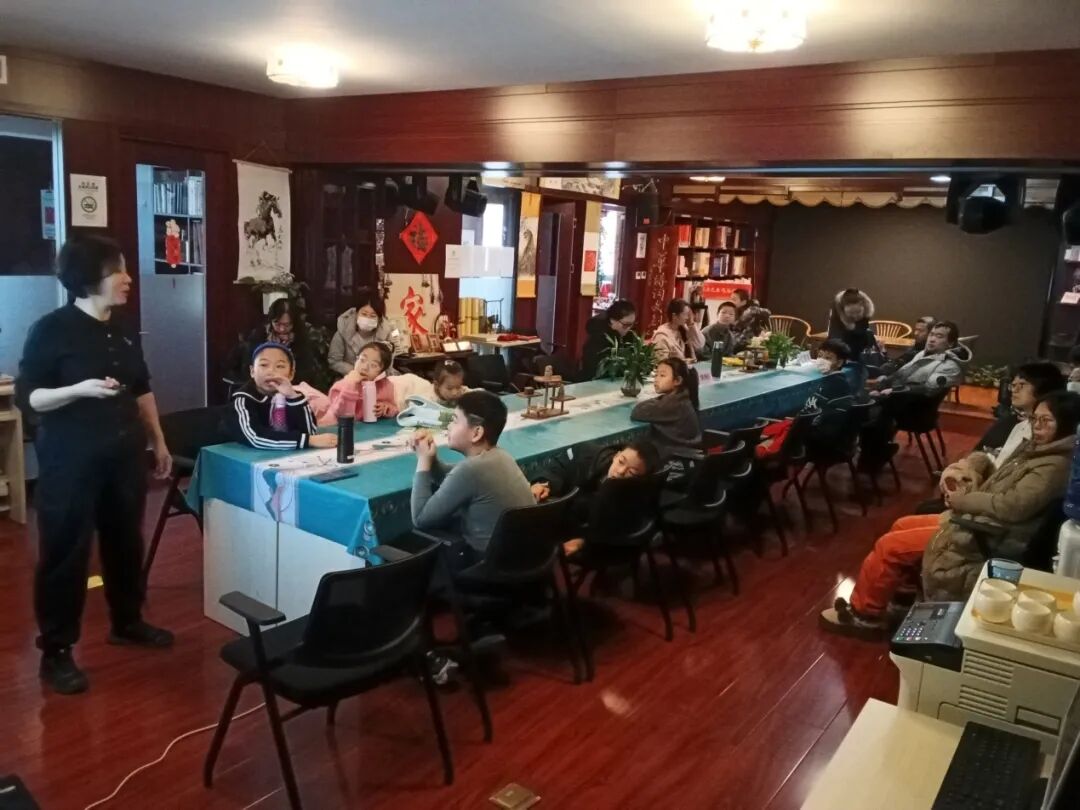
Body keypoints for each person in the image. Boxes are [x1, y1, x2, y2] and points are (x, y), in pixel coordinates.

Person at [16, 235, 175, 694]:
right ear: (88, 279)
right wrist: (78, 390)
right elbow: (31, 397)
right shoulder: (52, 329)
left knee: (126, 540)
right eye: (117, 270)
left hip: (123, 453)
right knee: (66, 550)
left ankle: (127, 621)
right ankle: (56, 650)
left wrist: (158, 441)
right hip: (70, 458)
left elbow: (141, 388)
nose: (128, 278)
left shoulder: (123, 327)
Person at [821, 391, 1080, 638]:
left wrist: (963, 500)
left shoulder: (1054, 465)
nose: (1037, 426)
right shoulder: (1038, 451)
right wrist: (970, 481)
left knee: (890, 546)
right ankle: (903, 593)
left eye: (1046, 421)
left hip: (988, 534)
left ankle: (865, 615)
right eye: (1035, 418)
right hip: (979, 521)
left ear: (1067, 425)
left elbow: (1011, 506)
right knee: (902, 524)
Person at [410, 391, 536, 570]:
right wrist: (432, 459)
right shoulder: (501, 456)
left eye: (454, 420)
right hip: (523, 559)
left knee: (410, 540)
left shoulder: (471, 470)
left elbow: (420, 519)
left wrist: (423, 461)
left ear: (476, 433)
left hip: (488, 566)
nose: (448, 426)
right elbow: (452, 477)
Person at [229, 343, 337, 450]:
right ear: (252, 371)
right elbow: (254, 437)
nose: (271, 371)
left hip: (285, 457)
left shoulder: (293, 397)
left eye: (279, 366)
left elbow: (310, 432)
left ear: (291, 374)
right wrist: (308, 441)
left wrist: (293, 397)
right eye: (264, 365)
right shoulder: (243, 399)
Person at [229, 298, 320, 387]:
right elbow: (248, 365)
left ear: (294, 323)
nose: (282, 329)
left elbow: (305, 371)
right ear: (271, 320)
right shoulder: (260, 335)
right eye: (277, 323)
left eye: (287, 325)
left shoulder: (301, 339)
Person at [873, 320, 971, 396]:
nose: (932, 339)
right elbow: (901, 374)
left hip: (911, 409)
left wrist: (893, 391)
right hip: (897, 400)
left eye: (939, 336)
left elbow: (927, 389)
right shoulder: (922, 354)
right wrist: (880, 387)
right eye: (931, 334)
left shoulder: (951, 366)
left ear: (951, 343)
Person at [631, 356, 702, 459]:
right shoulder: (682, 397)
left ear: (677, 381)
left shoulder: (673, 404)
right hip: (687, 457)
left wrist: (657, 400)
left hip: (677, 461)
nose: (656, 379)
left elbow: (637, 411)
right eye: (656, 375)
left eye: (662, 375)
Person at [328, 287, 409, 377]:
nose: (367, 318)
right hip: (349, 378)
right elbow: (334, 362)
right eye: (364, 314)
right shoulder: (343, 331)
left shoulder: (387, 333)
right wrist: (358, 371)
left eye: (373, 316)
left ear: (379, 319)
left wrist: (376, 375)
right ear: (356, 313)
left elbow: (388, 365)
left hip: (378, 378)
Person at [321, 341, 399, 425]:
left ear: (381, 372)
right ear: (356, 360)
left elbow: (394, 408)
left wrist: (386, 408)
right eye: (362, 360)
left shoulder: (385, 386)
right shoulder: (340, 386)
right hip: (334, 428)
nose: (365, 367)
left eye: (373, 365)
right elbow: (341, 415)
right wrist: (350, 384)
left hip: (368, 429)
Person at [580, 300, 637, 380]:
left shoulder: (629, 336)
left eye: (632, 324)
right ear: (612, 320)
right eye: (626, 325)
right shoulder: (598, 338)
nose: (629, 328)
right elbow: (597, 370)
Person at [827, 288, 877, 362]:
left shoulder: (866, 309)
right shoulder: (837, 312)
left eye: (858, 312)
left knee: (868, 335)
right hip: (841, 344)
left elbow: (860, 331)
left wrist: (852, 327)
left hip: (859, 346)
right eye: (851, 313)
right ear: (843, 310)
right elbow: (834, 336)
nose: (855, 316)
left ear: (863, 307)